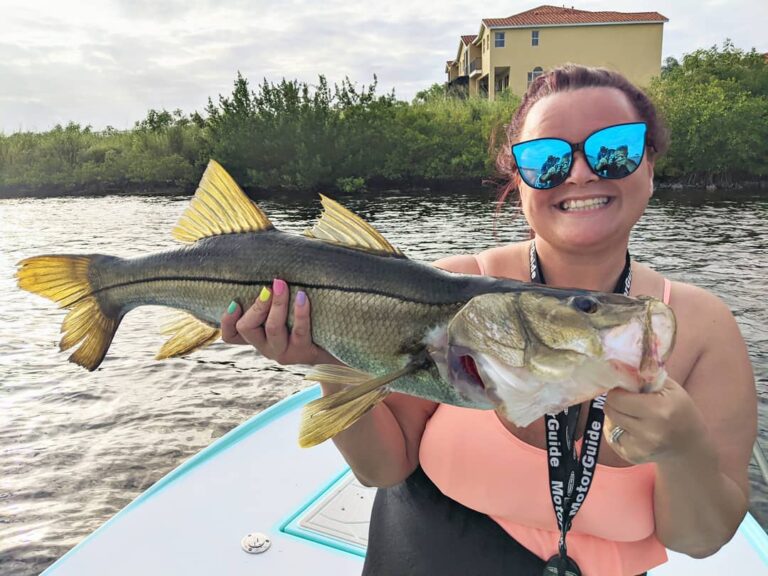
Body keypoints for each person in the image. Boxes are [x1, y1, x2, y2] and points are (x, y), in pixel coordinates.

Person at [219, 65, 757, 576]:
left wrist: (685, 449)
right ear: (518, 182)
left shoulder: (702, 327)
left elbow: (700, 538)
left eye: (613, 151)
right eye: (545, 159)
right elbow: (382, 470)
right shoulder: (441, 290)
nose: (580, 172)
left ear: (650, 166)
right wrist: (325, 357)